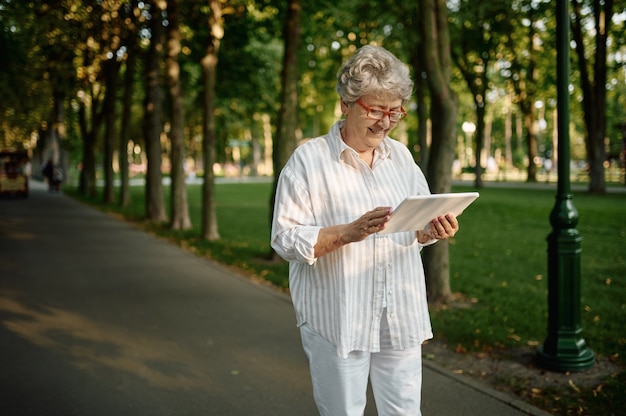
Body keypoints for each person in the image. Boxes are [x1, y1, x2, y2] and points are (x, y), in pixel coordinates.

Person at [270, 45, 459, 416]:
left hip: (399, 311)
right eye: (375, 110)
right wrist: (346, 233)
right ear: (345, 103)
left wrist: (430, 230)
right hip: (339, 315)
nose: (385, 122)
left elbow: (415, 227)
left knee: (404, 412)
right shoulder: (308, 161)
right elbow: (284, 239)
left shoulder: (401, 158)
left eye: (395, 112)